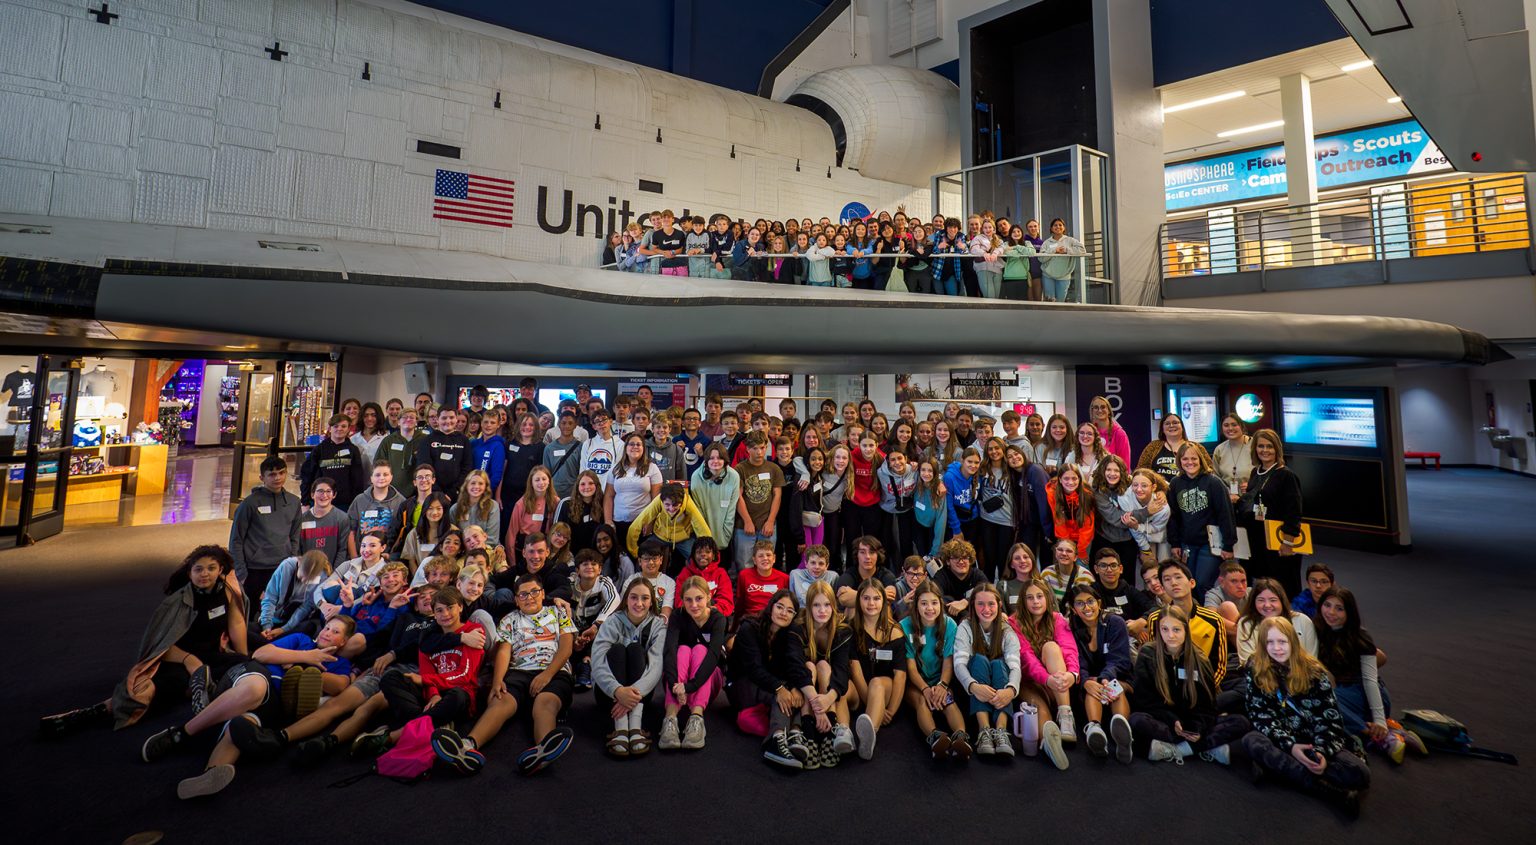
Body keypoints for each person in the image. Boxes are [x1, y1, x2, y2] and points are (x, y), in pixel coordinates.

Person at [41, 546, 249, 738]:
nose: (205, 574)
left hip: (211, 655)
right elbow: (159, 644)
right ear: (189, 573)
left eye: (211, 568)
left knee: (243, 666)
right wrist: (188, 660)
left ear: (220, 570)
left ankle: (198, 687)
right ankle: (90, 713)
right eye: (198, 569)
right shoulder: (176, 603)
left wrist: (242, 655)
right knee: (150, 691)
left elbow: (237, 623)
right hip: (177, 658)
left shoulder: (227, 591)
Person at [429, 574, 577, 776]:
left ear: (543, 594)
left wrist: (547, 675)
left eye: (534, 592)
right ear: (516, 599)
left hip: (554, 670)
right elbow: (504, 652)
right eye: (523, 594)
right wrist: (497, 680)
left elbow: (566, 648)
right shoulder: (510, 619)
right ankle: (467, 746)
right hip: (519, 670)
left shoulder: (558, 613)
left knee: (545, 703)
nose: (529, 597)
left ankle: (543, 750)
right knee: (500, 701)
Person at [1241, 616, 1371, 815]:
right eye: (1270, 642)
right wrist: (1291, 747)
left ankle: (1277, 769)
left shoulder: (1314, 672)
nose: (1277, 648)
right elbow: (1259, 715)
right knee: (1251, 740)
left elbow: (1330, 721)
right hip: (1281, 738)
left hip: (1312, 738)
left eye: (1282, 641)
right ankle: (1327, 791)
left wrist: (1321, 752)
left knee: (1360, 773)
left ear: (1293, 642)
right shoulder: (1255, 666)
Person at [1130, 605, 1251, 765]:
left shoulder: (1199, 659)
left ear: (1186, 630)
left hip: (1191, 718)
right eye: (1165, 629)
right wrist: (1173, 721)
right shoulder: (1147, 654)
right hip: (1163, 718)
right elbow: (1144, 700)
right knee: (1136, 720)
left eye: (1176, 630)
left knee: (1240, 722)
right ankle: (1202, 748)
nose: (1170, 635)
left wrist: (1196, 727)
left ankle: (1176, 750)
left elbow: (1207, 705)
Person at [1315, 587, 1416, 763]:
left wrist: (1379, 720)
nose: (1331, 612)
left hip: (1366, 694)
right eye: (1327, 605)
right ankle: (1389, 731)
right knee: (1316, 702)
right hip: (1342, 695)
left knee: (1323, 700)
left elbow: (1370, 680)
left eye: (1339, 608)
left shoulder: (1359, 637)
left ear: (1349, 612)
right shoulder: (1317, 628)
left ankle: (1378, 733)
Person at [591, 576, 667, 757]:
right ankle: (620, 728)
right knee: (617, 650)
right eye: (633, 597)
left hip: (640, 696)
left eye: (645, 598)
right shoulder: (612, 621)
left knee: (635, 649)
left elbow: (656, 666)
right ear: (626, 599)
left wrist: (631, 695)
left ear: (651, 602)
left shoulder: (658, 626)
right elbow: (597, 661)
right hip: (608, 693)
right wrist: (617, 690)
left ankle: (635, 726)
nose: (638, 603)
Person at [654, 576, 730, 752]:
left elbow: (713, 656)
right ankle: (670, 718)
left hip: (706, 680)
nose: (694, 605)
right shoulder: (677, 616)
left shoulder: (718, 619)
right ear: (682, 600)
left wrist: (689, 687)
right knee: (682, 650)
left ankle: (696, 717)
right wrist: (675, 685)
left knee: (701, 650)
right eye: (688, 600)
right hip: (677, 683)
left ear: (708, 597)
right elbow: (669, 651)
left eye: (699, 598)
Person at [1008, 578, 1077, 769]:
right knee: (1038, 711)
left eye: (1039, 596)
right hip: (1031, 682)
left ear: (1047, 598)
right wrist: (1047, 679)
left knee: (1051, 647)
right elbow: (1026, 658)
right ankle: (1049, 741)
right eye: (1030, 598)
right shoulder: (1014, 622)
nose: (1036, 602)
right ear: (1023, 601)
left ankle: (1065, 714)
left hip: (1058, 684)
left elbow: (1069, 649)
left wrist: (1072, 674)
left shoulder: (1057, 619)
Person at [901, 579, 972, 760]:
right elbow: (910, 667)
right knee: (921, 701)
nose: (929, 608)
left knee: (947, 699)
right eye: (924, 603)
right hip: (915, 683)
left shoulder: (949, 624)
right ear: (916, 605)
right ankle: (935, 737)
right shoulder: (905, 626)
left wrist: (942, 685)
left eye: (934, 603)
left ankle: (961, 737)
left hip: (940, 679)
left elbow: (948, 662)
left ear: (940, 603)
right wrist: (925, 688)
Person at [1067, 586, 1134, 764]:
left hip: (1120, 677)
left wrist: (1103, 678)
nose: (1087, 607)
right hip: (1089, 681)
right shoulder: (1071, 629)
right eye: (1080, 603)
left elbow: (1119, 660)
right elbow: (1076, 661)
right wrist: (1085, 682)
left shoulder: (1115, 622)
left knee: (1114, 687)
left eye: (1090, 601)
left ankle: (1123, 734)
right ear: (1073, 608)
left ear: (1099, 603)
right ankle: (1095, 729)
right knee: (1093, 687)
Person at [953, 584, 1021, 757]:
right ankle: (984, 730)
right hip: (975, 686)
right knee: (979, 659)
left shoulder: (1007, 630)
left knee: (999, 664)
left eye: (991, 604)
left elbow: (1015, 667)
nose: (986, 609)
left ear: (999, 605)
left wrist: (1011, 690)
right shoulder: (965, 627)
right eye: (980, 604)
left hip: (999, 684)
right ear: (972, 606)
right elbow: (959, 664)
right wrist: (973, 686)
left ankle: (1001, 731)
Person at [1238, 428, 1307, 598]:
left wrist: (1287, 542)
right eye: (1260, 446)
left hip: (1278, 541)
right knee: (1261, 587)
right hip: (1257, 539)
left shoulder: (1286, 476)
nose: (1265, 450)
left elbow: (1294, 512)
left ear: (1277, 449)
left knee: (1281, 587)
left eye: (1269, 446)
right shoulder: (1255, 472)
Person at [846, 578, 907, 759]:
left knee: (877, 683)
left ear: (884, 601)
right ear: (859, 601)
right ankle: (869, 735)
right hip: (862, 692)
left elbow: (900, 675)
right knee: (871, 683)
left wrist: (891, 711)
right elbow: (856, 671)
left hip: (886, 689)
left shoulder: (895, 632)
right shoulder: (852, 629)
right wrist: (871, 702)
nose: (871, 603)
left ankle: (870, 729)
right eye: (866, 598)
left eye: (876, 598)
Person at [1168, 441, 1236, 595]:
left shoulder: (1214, 482)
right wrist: (1175, 543)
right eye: (1185, 459)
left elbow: (1226, 514)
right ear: (1179, 461)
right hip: (1187, 544)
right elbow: (1173, 517)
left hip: (1210, 544)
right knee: (1188, 583)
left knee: (1202, 583)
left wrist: (1228, 544)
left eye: (1194, 458)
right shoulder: (1175, 483)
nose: (1190, 462)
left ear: (1200, 459)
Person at [229, 456, 301, 594]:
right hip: (254, 569)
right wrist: (241, 573)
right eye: (272, 474)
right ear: (262, 478)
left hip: (282, 566)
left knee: (279, 606)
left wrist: (292, 562)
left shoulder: (294, 502)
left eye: (281, 473)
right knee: (253, 607)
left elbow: (295, 536)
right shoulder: (249, 504)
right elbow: (236, 540)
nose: (277, 478)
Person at [627, 480, 712, 567]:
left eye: (675, 505)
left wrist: (708, 552)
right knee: (643, 556)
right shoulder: (658, 500)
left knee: (700, 560)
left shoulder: (687, 502)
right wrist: (635, 552)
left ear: (681, 502)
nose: (671, 509)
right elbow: (635, 526)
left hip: (683, 538)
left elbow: (702, 528)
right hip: (660, 535)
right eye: (667, 505)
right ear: (662, 501)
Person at [733, 432, 784, 572]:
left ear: (766, 447)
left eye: (762, 448)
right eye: (755, 448)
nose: (759, 452)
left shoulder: (774, 468)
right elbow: (738, 496)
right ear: (747, 449)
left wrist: (770, 521)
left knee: (767, 563)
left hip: (767, 523)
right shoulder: (740, 469)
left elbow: (777, 496)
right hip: (743, 524)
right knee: (744, 564)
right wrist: (747, 521)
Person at [1236, 578, 1318, 665]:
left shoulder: (1302, 621)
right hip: (1261, 672)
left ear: (1282, 601)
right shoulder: (1246, 624)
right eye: (1261, 600)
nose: (1267, 605)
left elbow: (1312, 659)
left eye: (1273, 600)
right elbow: (1247, 662)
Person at [301, 413, 369, 511]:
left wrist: (357, 503)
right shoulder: (319, 450)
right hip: (320, 501)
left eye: (343, 426)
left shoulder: (353, 450)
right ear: (330, 428)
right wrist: (305, 502)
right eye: (336, 426)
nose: (339, 429)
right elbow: (307, 476)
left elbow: (357, 479)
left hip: (345, 504)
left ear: (348, 429)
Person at [689, 443, 741, 569]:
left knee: (724, 567)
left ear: (725, 460)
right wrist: (704, 536)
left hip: (724, 532)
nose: (715, 461)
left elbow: (731, 510)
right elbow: (697, 510)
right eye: (711, 458)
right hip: (702, 531)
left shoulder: (733, 476)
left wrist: (725, 537)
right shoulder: (696, 476)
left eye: (719, 458)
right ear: (706, 460)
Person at [606, 433, 664, 546]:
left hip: (642, 523)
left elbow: (656, 500)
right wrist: (608, 520)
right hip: (618, 522)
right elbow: (609, 495)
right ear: (626, 448)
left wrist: (651, 521)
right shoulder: (615, 469)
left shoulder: (652, 468)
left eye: (639, 444)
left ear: (643, 448)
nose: (635, 447)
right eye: (631, 444)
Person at [1088, 548, 1153, 639]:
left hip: (1128, 639)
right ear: (1096, 569)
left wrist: (1141, 622)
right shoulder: (1090, 592)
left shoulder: (1129, 590)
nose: (1109, 570)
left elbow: (1154, 607)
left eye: (1113, 565)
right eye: (1103, 565)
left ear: (1120, 569)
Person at [347, 462, 406, 556]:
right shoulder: (359, 500)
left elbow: (402, 534)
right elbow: (350, 531)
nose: (381, 478)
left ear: (391, 477)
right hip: (362, 555)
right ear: (371, 478)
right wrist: (354, 557)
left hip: (388, 556)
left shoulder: (401, 501)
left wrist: (391, 555)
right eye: (377, 475)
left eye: (385, 474)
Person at [1136, 413, 1207, 486]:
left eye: (1175, 423)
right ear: (1162, 429)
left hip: (1189, 489)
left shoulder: (1196, 447)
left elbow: (1208, 469)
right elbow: (1141, 471)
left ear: (1182, 427)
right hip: (1159, 490)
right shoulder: (1153, 447)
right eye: (1167, 423)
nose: (1171, 426)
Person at [416, 406, 473, 496]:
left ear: (456, 419)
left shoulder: (464, 440)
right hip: (432, 492)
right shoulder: (427, 440)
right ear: (437, 419)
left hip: (457, 493)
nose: (448, 421)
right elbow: (424, 467)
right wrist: (437, 492)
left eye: (451, 417)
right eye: (444, 418)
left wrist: (453, 492)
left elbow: (467, 467)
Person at [1046, 467, 1096, 570]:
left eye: (1074, 478)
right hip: (1064, 535)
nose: (1070, 482)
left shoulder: (1087, 494)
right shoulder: (1053, 493)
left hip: (1083, 538)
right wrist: (1066, 545)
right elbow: (1059, 522)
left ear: (1079, 479)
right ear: (1060, 479)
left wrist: (1081, 550)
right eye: (1066, 478)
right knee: (1063, 565)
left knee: (1081, 565)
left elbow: (1087, 526)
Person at [297, 477, 351, 568]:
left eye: (328, 491)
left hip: (332, 572)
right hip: (307, 571)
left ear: (334, 495)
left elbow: (342, 550)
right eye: (320, 491)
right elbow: (298, 550)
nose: (324, 495)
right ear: (312, 494)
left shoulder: (342, 518)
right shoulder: (301, 519)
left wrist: (335, 573)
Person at [932, 537, 987, 618]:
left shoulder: (977, 574)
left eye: (965, 558)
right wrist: (958, 608)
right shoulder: (941, 575)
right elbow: (933, 596)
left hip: (974, 617)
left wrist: (966, 602)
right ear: (948, 561)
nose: (961, 562)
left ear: (970, 560)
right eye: (956, 558)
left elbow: (988, 594)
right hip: (949, 617)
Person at [378, 409, 425, 497]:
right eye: (405, 417)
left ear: (416, 422)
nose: (408, 419)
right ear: (398, 422)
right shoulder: (388, 441)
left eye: (412, 417)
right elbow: (379, 464)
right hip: (392, 491)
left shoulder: (424, 440)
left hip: (418, 491)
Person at [1212, 413, 1254, 504]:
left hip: (1252, 499)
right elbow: (1215, 477)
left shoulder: (1254, 445)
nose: (1230, 428)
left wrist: (1252, 485)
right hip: (1227, 500)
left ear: (1242, 426)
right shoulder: (1219, 449)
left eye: (1234, 425)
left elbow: (1265, 472)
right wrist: (1228, 493)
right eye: (1226, 425)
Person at [1040, 217, 1085, 302]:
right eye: (1055, 225)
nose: (1058, 227)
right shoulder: (1046, 242)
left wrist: (1066, 250)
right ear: (1051, 228)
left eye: (1060, 225)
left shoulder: (1071, 240)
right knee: (1049, 302)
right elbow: (1041, 259)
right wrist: (1054, 251)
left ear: (1064, 228)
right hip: (1048, 276)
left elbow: (1082, 250)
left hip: (1064, 276)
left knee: (1060, 302)